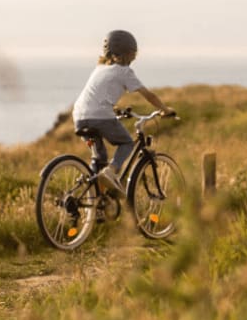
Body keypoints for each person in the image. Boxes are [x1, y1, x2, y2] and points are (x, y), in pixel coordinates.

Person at [72, 30, 173, 196]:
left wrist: (113, 109)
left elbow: (98, 95)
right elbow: (149, 95)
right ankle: (111, 171)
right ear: (127, 53)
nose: (135, 57)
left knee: (99, 158)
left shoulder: (99, 69)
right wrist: (165, 109)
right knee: (126, 143)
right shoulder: (124, 72)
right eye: (134, 53)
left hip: (79, 116)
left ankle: (95, 200)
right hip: (100, 116)